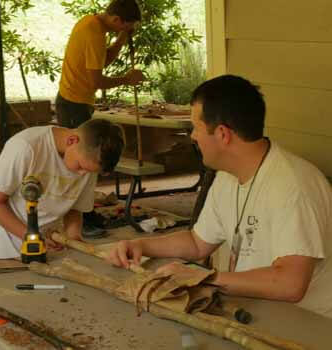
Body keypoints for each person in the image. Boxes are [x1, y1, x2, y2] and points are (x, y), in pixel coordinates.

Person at [106, 75, 332, 318]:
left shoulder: (294, 186)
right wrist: (140, 245)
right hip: (255, 310)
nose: (192, 136)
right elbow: (197, 243)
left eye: (196, 127)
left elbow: (290, 284)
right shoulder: (227, 175)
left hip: (308, 325)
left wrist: (204, 278)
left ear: (223, 134)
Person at [0, 119, 124, 259]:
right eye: (80, 166)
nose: (82, 174)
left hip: (48, 249)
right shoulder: (25, 147)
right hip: (4, 249)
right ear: (72, 141)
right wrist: (33, 238)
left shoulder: (88, 163)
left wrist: (73, 239)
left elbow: (75, 208)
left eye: (88, 171)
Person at [55, 0, 145, 128]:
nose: (126, 29)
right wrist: (126, 79)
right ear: (116, 19)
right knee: (79, 147)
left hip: (75, 101)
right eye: (125, 26)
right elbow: (96, 82)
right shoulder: (95, 34)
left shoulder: (90, 21)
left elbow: (102, 63)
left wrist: (122, 37)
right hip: (73, 104)